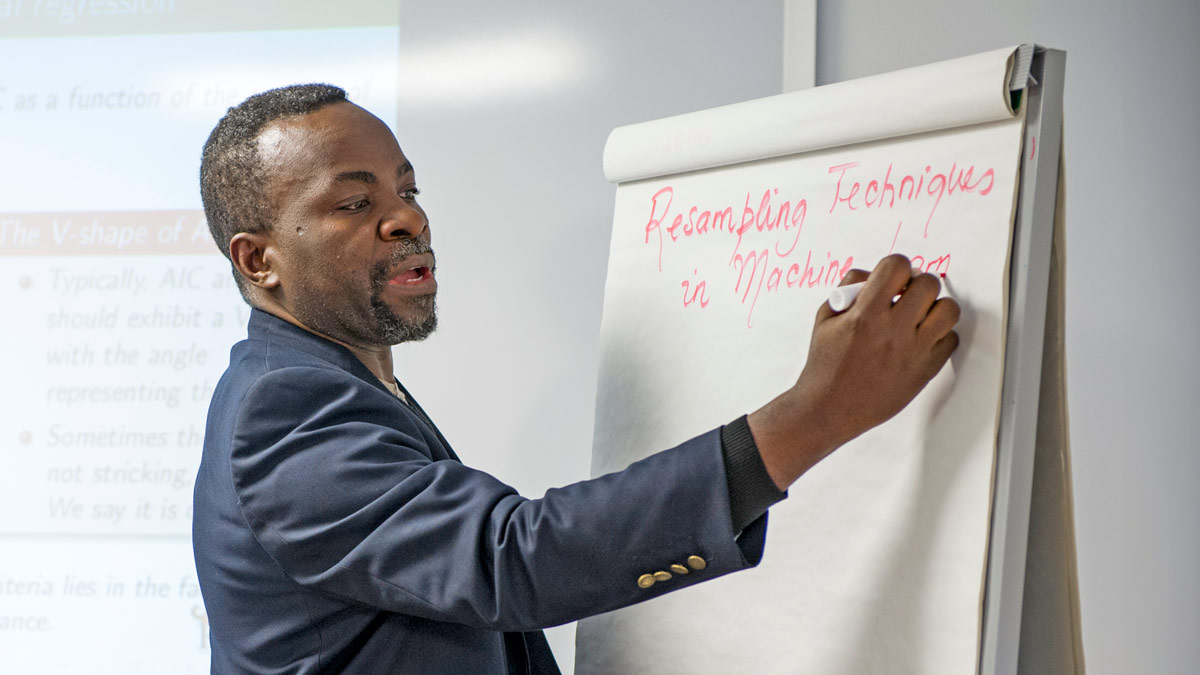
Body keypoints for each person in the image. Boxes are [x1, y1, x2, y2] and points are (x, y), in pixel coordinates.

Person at [191, 84, 960, 675]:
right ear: (259, 261)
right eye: (356, 202)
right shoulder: (282, 407)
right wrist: (816, 413)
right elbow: (511, 559)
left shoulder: (340, 381)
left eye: (408, 190)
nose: (406, 220)